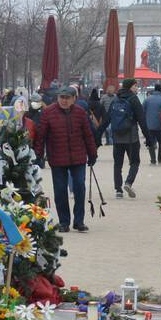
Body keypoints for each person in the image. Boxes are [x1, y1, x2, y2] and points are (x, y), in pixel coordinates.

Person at [34, 85, 97, 232]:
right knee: (60, 190)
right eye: (61, 97)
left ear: (74, 99)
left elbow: (88, 135)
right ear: (57, 98)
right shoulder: (48, 113)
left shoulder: (81, 113)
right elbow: (41, 136)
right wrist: (38, 155)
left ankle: (79, 221)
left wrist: (92, 153)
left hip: (78, 157)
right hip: (57, 158)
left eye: (67, 98)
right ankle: (64, 222)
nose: (64, 100)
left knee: (80, 188)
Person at [107, 79, 144, 198]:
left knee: (117, 164)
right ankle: (128, 182)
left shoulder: (116, 99)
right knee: (135, 162)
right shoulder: (133, 99)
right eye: (135, 86)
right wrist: (148, 138)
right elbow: (142, 119)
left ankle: (118, 190)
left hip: (117, 137)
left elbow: (108, 118)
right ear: (130, 87)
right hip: (131, 138)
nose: (136, 88)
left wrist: (98, 135)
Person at [142, 83, 161, 164]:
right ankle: (160, 160)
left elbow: (142, 111)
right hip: (160, 125)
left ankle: (153, 160)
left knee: (151, 143)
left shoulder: (147, 99)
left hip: (149, 125)